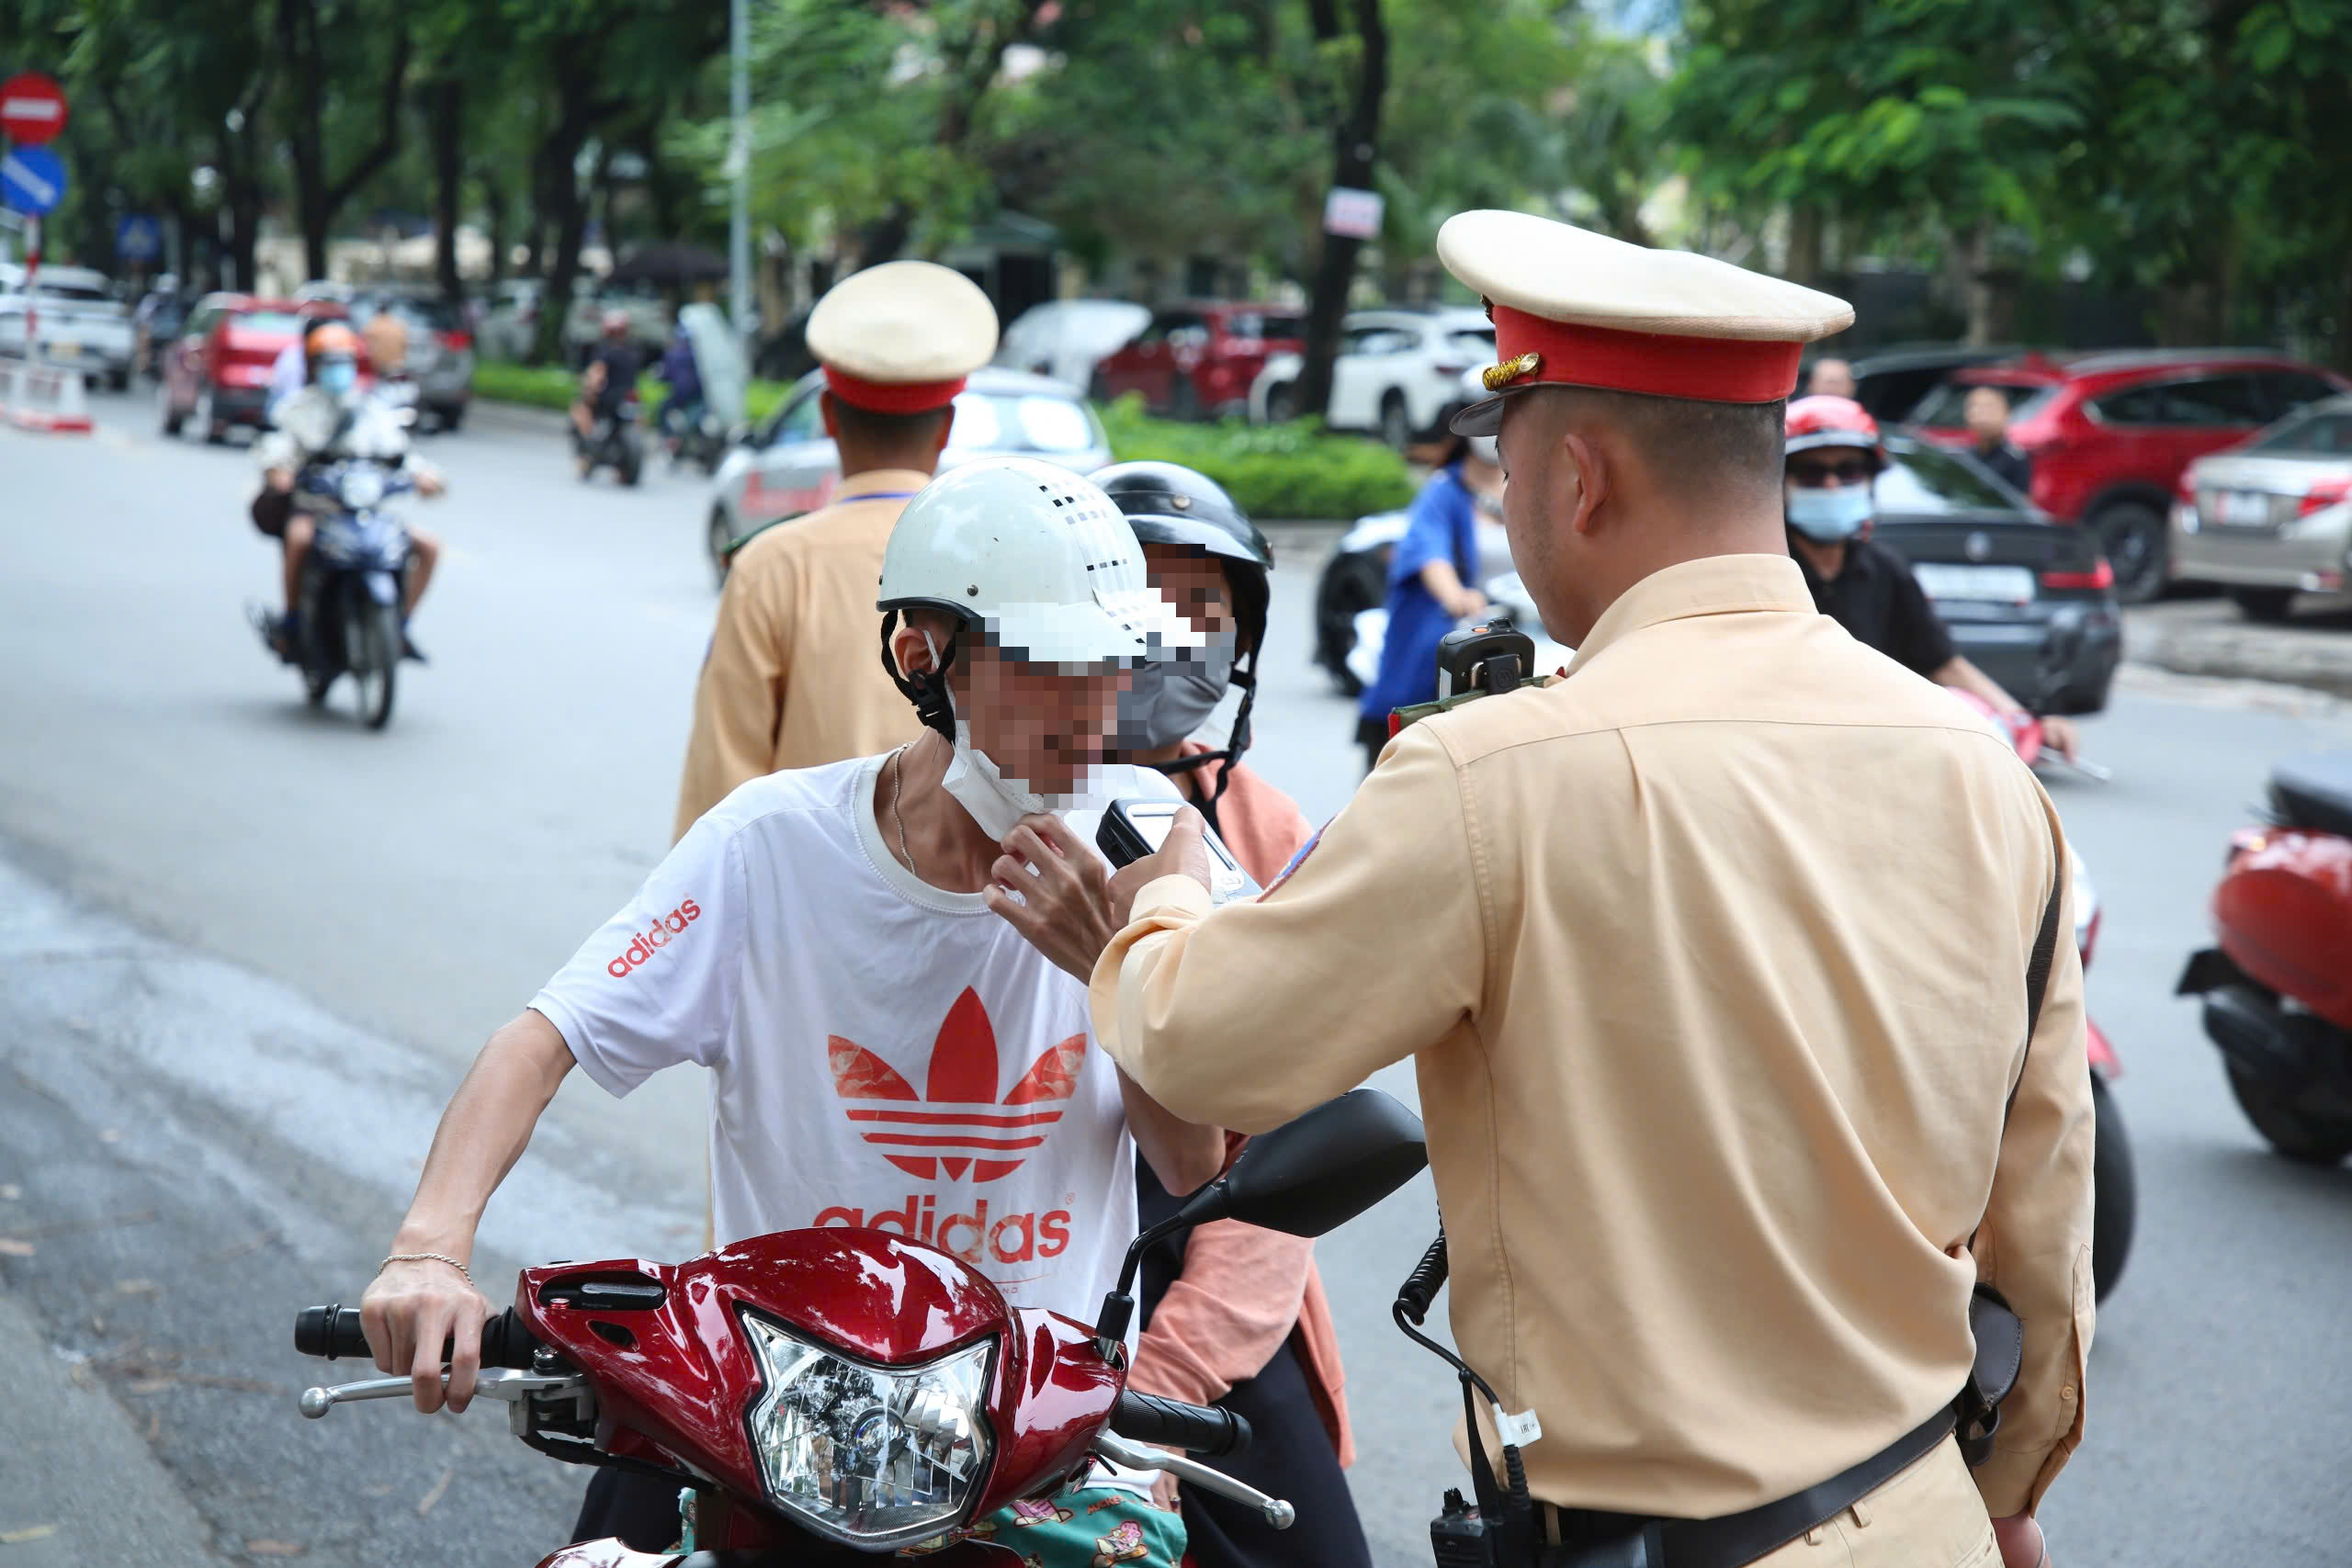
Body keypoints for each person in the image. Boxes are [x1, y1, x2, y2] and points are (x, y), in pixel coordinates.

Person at [1033, 211, 2094, 1568]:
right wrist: (1999, 1493)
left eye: (1509, 463)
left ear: (1581, 479)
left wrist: (1168, 891)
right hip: (1927, 1516)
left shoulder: (1496, 771)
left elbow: (1205, 1045)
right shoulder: (1986, 771)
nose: (1507, 501)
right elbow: (2045, 1207)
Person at [360, 457, 1220, 1567]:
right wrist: (430, 1249)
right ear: (923, 654)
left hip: (1046, 1457)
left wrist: (1120, 970)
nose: (1092, 712)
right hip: (795, 1444)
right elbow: (543, 1039)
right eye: (1049, 666)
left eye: (1107, 667)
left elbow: (1195, 1163)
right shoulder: (771, 843)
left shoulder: (1152, 850)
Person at [1077, 460, 1371, 1568]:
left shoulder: (1265, 826)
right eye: (1145, 597)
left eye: (1204, 610)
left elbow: (1282, 1164)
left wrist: (1160, 1386)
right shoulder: (990, 799)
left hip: (1209, 1275)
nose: (1173, 635)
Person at [673, 260, 1000, 838]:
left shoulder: (772, 565)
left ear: (828, 415)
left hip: (805, 909)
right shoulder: (1001, 561)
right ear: (947, 425)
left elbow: (721, 790)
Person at [1782, 395, 2080, 761]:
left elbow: (1943, 663)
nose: (1831, 486)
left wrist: (2020, 720)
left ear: (1870, 482)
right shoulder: (1767, 569)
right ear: (1780, 484)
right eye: (1811, 473)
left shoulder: (1885, 570)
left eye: (1848, 472)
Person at [250, 321, 444, 660]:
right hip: (318, 507)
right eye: (330, 362)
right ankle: (293, 622)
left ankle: (399, 628)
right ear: (314, 366)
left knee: (428, 546)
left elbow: (400, 453)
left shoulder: (371, 408)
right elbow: (276, 447)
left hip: (363, 509)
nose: (338, 369)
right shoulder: (297, 408)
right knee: (299, 539)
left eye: (344, 361)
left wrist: (425, 475)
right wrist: (278, 471)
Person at [1353, 373, 1506, 773]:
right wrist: (1457, 596)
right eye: (1485, 415)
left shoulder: (1530, 487)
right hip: (1456, 639)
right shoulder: (1443, 491)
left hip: (1518, 641)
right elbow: (1429, 556)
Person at [570, 308, 644, 478]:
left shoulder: (604, 351)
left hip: (609, 399)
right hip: (629, 398)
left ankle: (586, 451)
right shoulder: (633, 352)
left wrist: (588, 391)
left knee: (580, 411)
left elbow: (596, 377)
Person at [1963, 385, 2034, 495]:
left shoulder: (2014, 459)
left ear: (2006, 413)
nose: (1982, 414)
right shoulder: (1964, 455)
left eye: (1989, 407)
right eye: (1975, 407)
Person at [654, 318, 705, 453]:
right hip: (698, 395)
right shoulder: (700, 354)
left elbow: (664, 375)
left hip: (680, 397)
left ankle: (669, 438)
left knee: (663, 410)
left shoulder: (672, 354)